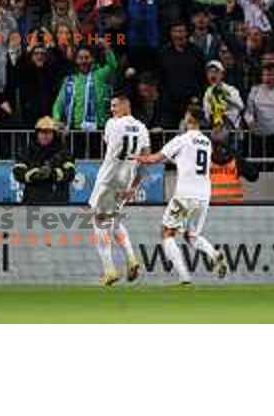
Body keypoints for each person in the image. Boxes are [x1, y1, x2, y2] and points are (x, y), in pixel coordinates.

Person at [133, 105, 228, 284]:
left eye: (186, 114)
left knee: (166, 232)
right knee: (191, 235)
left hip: (185, 194)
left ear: (190, 119)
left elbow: (155, 159)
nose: (184, 117)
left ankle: (184, 276)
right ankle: (214, 255)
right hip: (204, 195)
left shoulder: (182, 139)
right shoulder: (206, 142)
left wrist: (138, 158)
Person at [88, 93, 150, 286]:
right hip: (126, 181)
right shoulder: (142, 128)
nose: (112, 110)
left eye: (115, 106)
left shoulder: (112, 124)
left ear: (125, 106)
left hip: (108, 179)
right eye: (111, 106)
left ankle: (109, 270)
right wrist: (134, 186)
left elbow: (110, 146)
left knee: (98, 220)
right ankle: (131, 259)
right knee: (113, 218)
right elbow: (145, 159)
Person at [12, 117, 76, 204]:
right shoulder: (27, 151)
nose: (45, 136)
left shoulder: (63, 152)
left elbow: (70, 173)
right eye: (42, 132)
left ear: (54, 134)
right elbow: (18, 172)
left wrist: (52, 173)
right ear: (37, 134)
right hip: (33, 201)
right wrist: (35, 174)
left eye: (49, 132)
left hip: (58, 202)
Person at [210, 137, 259, 204]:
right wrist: (235, 155)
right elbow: (253, 175)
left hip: (215, 205)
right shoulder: (236, 161)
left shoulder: (206, 162)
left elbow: (254, 176)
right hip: (233, 206)